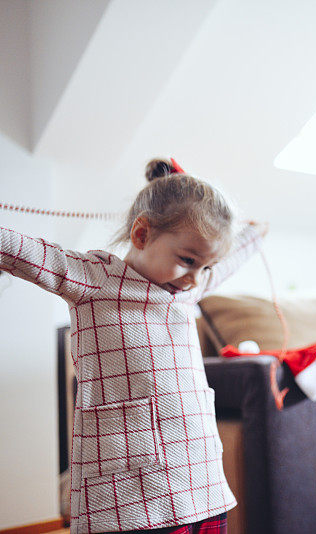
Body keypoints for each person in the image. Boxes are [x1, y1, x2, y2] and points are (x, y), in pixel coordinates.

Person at [0, 158, 267, 534]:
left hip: (200, 476)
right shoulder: (95, 278)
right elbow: (25, 252)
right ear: (142, 235)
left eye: (204, 268)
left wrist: (255, 234)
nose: (194, 279)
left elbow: (229, 261)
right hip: (129, 491)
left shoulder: (189, 289)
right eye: (188, 260)